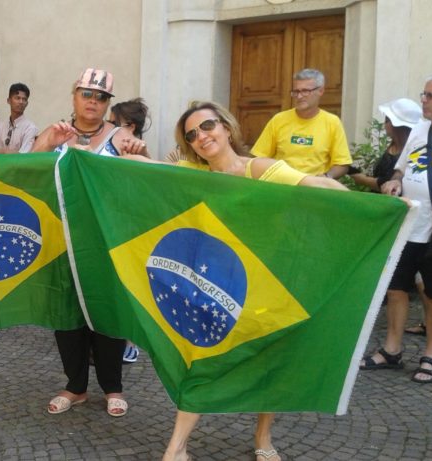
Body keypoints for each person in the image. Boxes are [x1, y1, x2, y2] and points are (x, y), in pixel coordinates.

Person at [135, 101, 346, 461]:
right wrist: (83, 154)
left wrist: (382, 208)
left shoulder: (260, 169)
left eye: (207, 127)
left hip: (268, 280)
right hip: (217, 284)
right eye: (191, 134)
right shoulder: (194, 172)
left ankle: (263, 438)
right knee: (204, 359)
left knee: (267, 359)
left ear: (227, 128)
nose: (201, 136)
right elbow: (147, 167)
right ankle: (176, 448)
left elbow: (314, 183)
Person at [32, 68, 148, 419]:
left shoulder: (120, 135)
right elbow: (26, 172)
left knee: (107, 314)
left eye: (101, 97)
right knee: (67, 316)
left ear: (107, 103)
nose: (93, 102)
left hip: (106, 242)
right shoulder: (57, 133)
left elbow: (140, 182)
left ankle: (113, 387)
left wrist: (138, 152)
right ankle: (76, 387)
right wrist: (47, 143)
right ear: (74, 96)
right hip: (62, 240)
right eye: (87, 94)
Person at [365, 77, 432, 384]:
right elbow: (402, 166)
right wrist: (394, 179)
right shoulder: (420, 128)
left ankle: (431, 354)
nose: (424, 100)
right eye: (424, 94)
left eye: (430, 96)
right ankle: (392, 350)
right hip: (409, 221)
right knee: (396, 287)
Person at [108, 97, 150, 362]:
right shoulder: (112, 145)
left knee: (127, 284)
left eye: (114, 124)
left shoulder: (137, 150)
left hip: (129, 223)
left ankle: (131, 342)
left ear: (130, 127)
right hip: (112, 220)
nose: (109, 128)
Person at [251, 68, 352, 179]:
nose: (299, 96)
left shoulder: (332, 122)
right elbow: (258, 157)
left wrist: (326, 177)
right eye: (296, 91)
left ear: (321, 91)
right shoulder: (279, 120)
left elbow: (342, 164)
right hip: (281, 186)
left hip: (314, 188)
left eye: (305, 91)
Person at [349, 98, 422, 191]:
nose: (384, 124)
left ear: (395, 125)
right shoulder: (393, 146)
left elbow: (388, 183)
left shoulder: (410, 150)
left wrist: (362, 179)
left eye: (387, 120)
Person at [0, 83, 38, 153]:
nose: (21, 102)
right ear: (9, 101)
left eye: (24, 99)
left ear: (27, 103)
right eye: (17, 98)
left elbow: (23, 157)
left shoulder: (30, 128)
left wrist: (2, 152)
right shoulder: (0, 127)